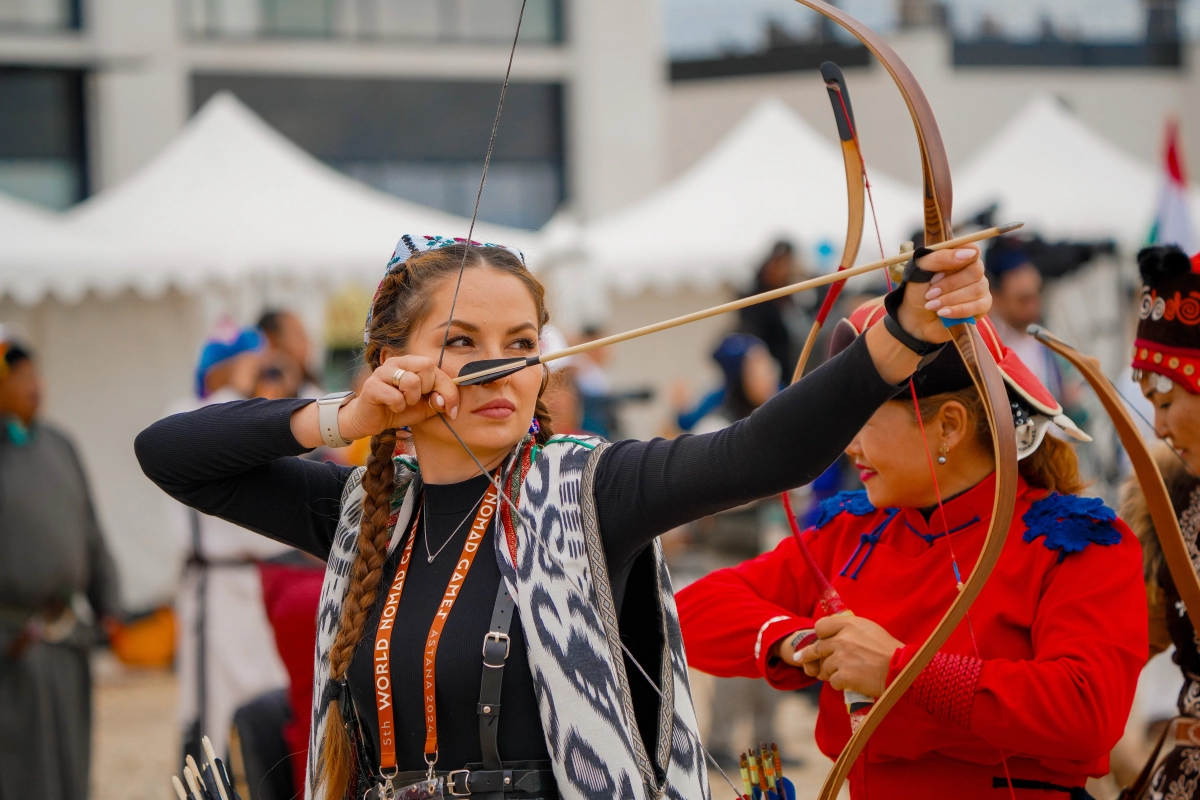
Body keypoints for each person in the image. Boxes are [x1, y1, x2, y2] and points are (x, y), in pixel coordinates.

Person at [135, 233, 990, 800]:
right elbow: (167, 453)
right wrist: (344, 420)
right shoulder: (364, 511)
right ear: (392, 364)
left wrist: (904, 334)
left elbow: (765, 452)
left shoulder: (587, 488)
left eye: (521, 344)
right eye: (462, 341)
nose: (498, 369)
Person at [677, 300, 1147, 799]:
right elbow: (690, 609)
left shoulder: (1074, 542)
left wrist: (899, 671)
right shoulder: (855, 531)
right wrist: (801, 642)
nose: (848, 446)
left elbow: (1086, 709)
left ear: (948, 425)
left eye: (862, 420)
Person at [0, 336, 121, 800]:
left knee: (70, 758)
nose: (35, 386)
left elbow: (88, 528)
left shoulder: (59, 445)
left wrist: (107, 600)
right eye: (21, 377)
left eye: (36, 375)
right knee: (21, 766)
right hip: (11, 642)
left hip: (65, 635)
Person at [171, 321, 292, 764]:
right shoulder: (195, 414)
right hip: (218, 587)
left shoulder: (235, 411)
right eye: (250, 361)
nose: (258, 369)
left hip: (256, 581)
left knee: (261, 695)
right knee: (216, 707)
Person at [1119, 245, 1200, 800]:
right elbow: (1117, 649)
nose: (1160, 426)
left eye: (1167, 401)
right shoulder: (1173, 505)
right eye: (1148, 405)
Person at [986, 244, 1067, 401]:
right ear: (996, 297)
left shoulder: (1050, 346)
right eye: (1023, 300)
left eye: (1034, 298)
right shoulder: (988, 348)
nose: (1032, 308)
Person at [738, 240, 815, 378]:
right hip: (771, 376)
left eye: (788, 264)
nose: (785, 270)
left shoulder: (793, 300)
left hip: (797, 373)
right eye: (780, 264)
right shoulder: (755, 302)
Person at [258, 309, 323, 398]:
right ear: (271, 340)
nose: (307, 342)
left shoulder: (309, 390)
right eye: (298, 335)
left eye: (305, 335)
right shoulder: (251, 386)